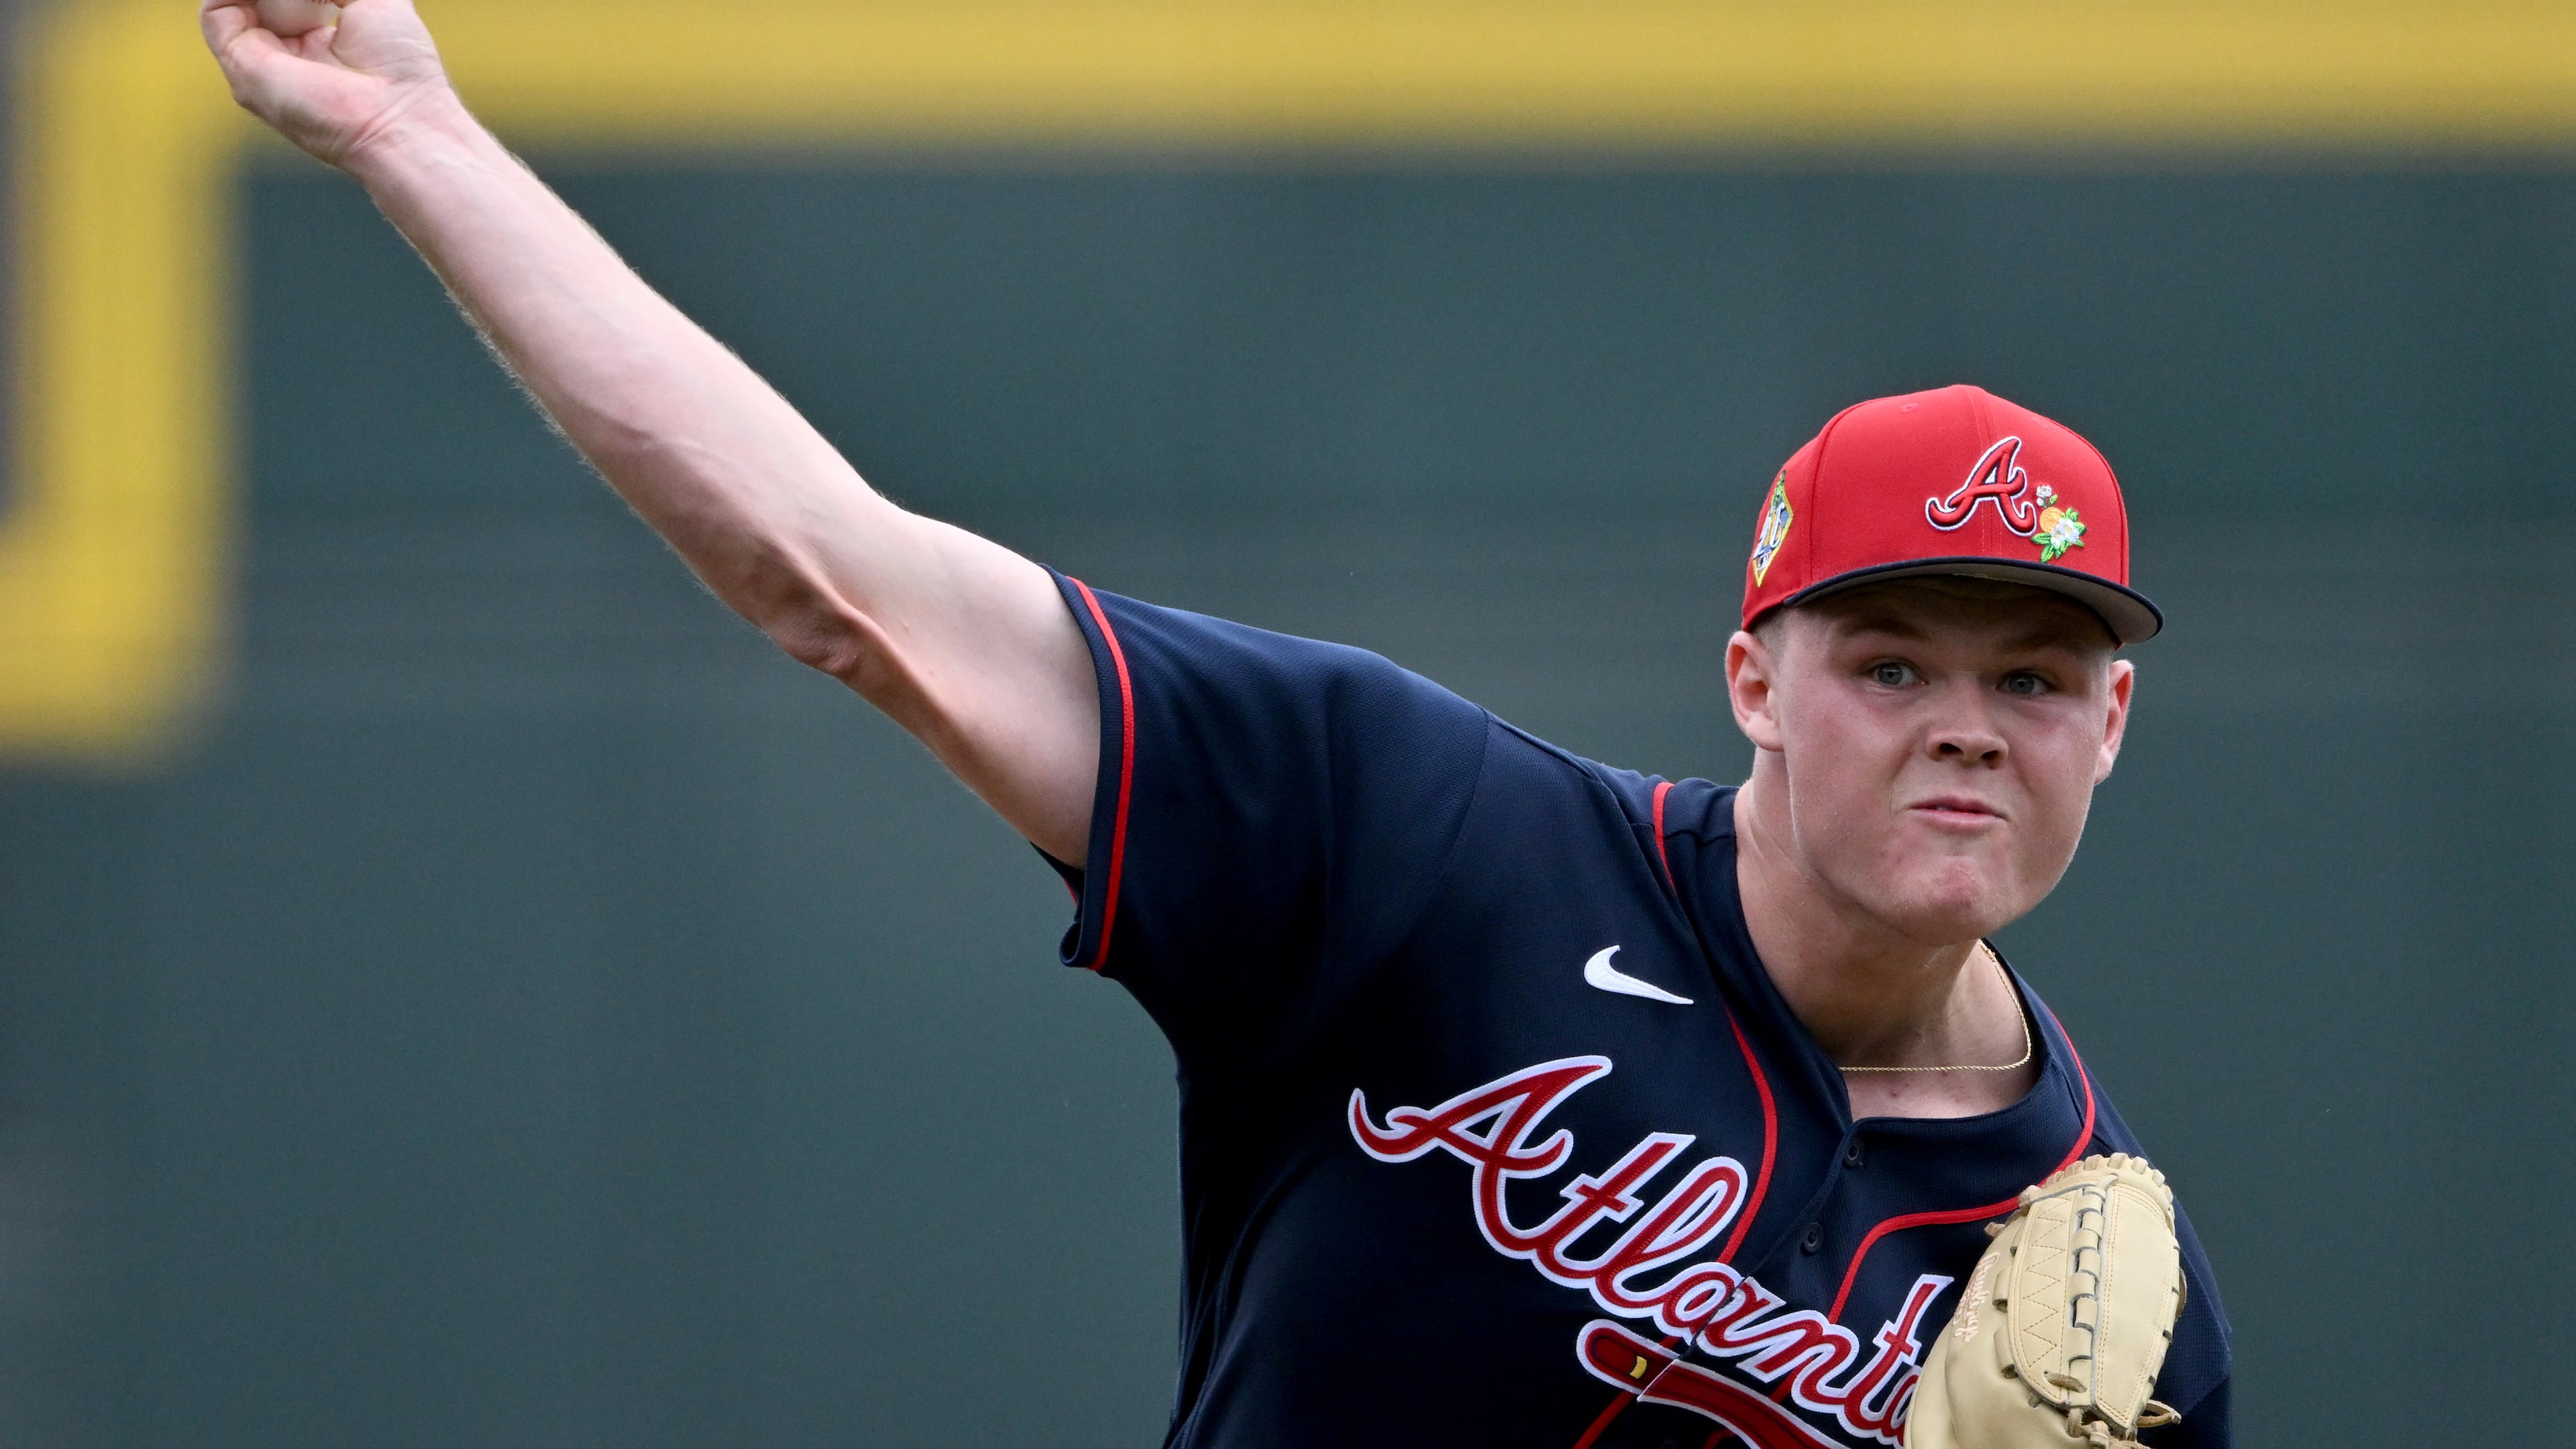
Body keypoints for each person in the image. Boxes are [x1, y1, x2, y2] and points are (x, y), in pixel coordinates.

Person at [201, 3, 2233, 1445]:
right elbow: (842, 582)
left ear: (2115, 725)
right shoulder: (1427, 846)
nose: (1967, 727)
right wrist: (413, 134)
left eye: (2033, 679)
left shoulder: (2093, 1283)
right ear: (1753, 682)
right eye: (1891, 662)